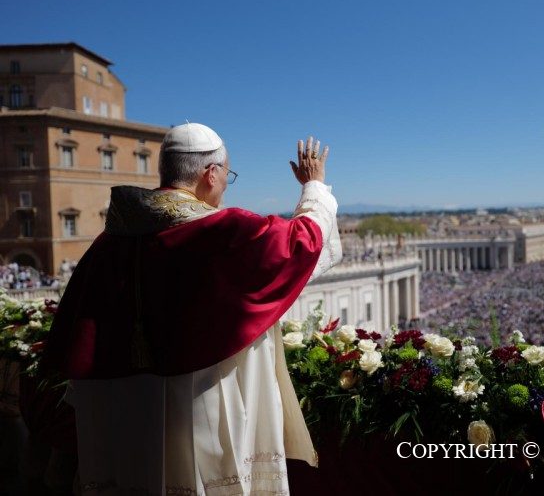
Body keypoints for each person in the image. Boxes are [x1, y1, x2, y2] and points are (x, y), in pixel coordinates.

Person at [41, 123, 342, 494]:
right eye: (228, 174)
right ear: (210, 173)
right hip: (200, 400)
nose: (226, 184)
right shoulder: (222, 229)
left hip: (123, 406)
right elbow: (302, 243)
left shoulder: (109, 241)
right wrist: (314, 185)